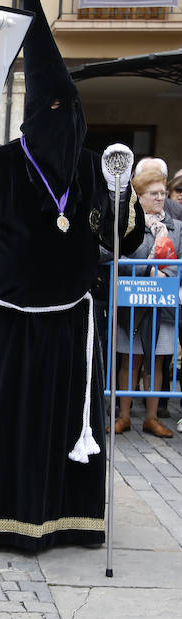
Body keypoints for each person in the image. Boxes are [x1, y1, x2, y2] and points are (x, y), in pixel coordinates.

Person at [0, 0, 144, 555]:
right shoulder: (0, 166)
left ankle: (69, 517)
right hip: (5, 323)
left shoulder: (94, 170)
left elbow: (125, 242)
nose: (62, 123)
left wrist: (119, 197)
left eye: (70, 110)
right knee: (0, 422)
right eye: (51, 110)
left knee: (67, 421)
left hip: (70, 326)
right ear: (34, 112)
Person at [112, 168, 182, 438]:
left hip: (163, 306)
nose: (160, 198)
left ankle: (152, 418)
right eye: (153, 194)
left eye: (163, 193)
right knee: (130, 360)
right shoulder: (128, 225)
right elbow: (111, 253)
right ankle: (124, 416)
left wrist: (170, 274)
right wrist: (145, 269)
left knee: (157, 362)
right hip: (134, 304)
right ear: (138, 197)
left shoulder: (175, 227)